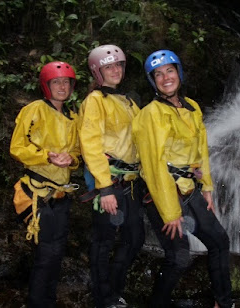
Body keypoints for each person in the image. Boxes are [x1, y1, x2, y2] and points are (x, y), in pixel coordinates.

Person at [132, 50, 233, 308]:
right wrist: (170, 212)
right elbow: (154, 166)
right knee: (178, 257)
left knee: (219, 241)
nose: (166, 77)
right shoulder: (150, 114)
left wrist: (207, 187)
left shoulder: (192, 107)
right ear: (153, 81)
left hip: (189, 188)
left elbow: (201, 151)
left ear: (179, 72)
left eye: (170, 70)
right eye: (159, 74)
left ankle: (223, 302)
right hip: (161, 193)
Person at [10, 61, 80, 307]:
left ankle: (47, 301)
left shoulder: (73, 117)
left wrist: (71, 160)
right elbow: (17, 147)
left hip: (61, 195)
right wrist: (46, 156)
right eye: (56, 82)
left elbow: (77, 153)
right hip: (38, 192)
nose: (62, 86)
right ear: (46, 86)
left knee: (57, 253)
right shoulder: (35, 110)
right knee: (46, 253)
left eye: (66, 82)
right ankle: (37, 303)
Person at [79, 44, 144, 308]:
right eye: (109, 66)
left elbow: (143, 139)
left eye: (118, 65)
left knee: (135, 238)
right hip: (110, 182)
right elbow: (90, 144)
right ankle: (103, 299)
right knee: (104, 241)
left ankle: (115, 290)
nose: (115, 70)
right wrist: (104, 188)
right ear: (98, 71)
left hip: (131, 183)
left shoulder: (128, 102)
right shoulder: (95, 101)